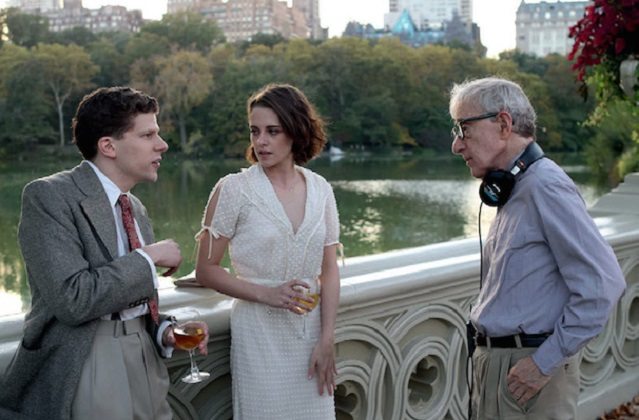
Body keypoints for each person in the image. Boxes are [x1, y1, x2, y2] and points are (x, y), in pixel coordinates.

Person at [0, 86, 208, 420]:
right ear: (108, 146)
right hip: (88, 360)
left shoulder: (134, 207)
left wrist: (163, 331)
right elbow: (73, 300)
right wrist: (149, 257)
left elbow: (132, 301)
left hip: (147, 359)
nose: (162, 144)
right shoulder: (48, 196)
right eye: (148, 135)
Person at [449, 77, 626, 418]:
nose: (457, 145)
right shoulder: (515, 188)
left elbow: (603, 284)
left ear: (504, 124)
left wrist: (543, 363)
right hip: (502, 366)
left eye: (464, 129)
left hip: (526, 371)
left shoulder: (545, 185)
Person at [195, 83, 340, 419]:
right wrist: (267, 294)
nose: (261, 141)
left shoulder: (321, 189)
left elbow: (330, 271)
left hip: (310, 334)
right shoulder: (234, 189)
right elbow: (206, 269)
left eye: (272, 131)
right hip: (258, 335)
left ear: (296, 131)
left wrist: (327, 338)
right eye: (255, 131)